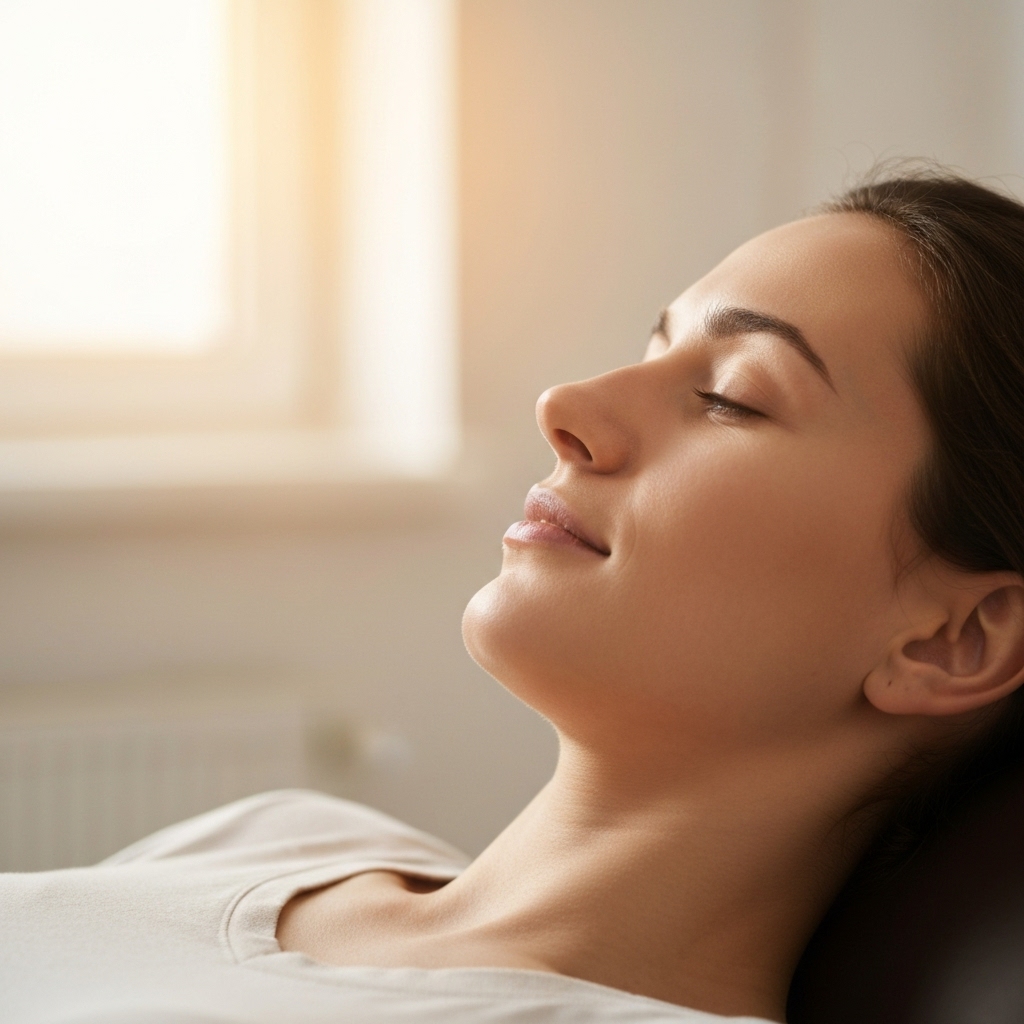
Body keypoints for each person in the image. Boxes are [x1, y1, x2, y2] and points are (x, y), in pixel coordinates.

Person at [6, 166, 1024, 1024]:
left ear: (952, 639)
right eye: (651, 346)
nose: (566, 405)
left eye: (730, 396)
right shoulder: (280, 835)